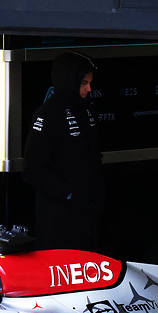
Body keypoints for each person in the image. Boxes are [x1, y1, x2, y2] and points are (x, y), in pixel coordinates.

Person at [23, 52, 104, 252]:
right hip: (58, 219)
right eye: (84, 83)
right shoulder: (48, 113)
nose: (89, 89)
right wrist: (68, 193)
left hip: (88, 215)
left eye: (90, 83)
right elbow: (32, 169)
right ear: (70, 80)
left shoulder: (86, 109)